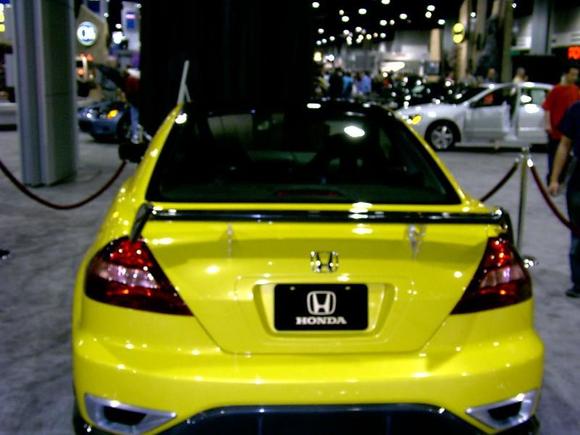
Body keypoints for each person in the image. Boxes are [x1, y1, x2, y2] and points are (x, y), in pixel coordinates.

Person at [548, 101, 580, 297]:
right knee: (577, 232)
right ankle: (578, 282)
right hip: (579, 178)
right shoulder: (576, 110)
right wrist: (555, 178)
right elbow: (564, 145)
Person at [543, 65, 580, 183]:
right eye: (572, 74)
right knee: (554, 156)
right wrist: (548, 124)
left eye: (576, 75)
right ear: (566, 74)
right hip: (556, 130)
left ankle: (561, 178)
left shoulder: (575, 90)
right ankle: (553, 178)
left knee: (568, 158)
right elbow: (547, 107)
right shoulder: (556, 90)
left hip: (570, 130)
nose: (574, 77)